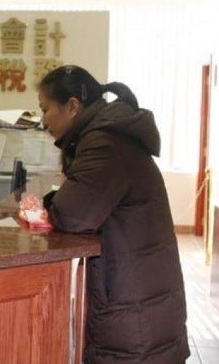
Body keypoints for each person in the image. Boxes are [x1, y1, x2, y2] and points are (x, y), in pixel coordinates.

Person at [38, 65, 188, 363]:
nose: (43, 121)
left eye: (45, 109)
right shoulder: (110, 134)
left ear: (72, 107)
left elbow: (71, 214)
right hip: (140, 292)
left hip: (133, 306)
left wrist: (50, 202)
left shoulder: (104, 142)